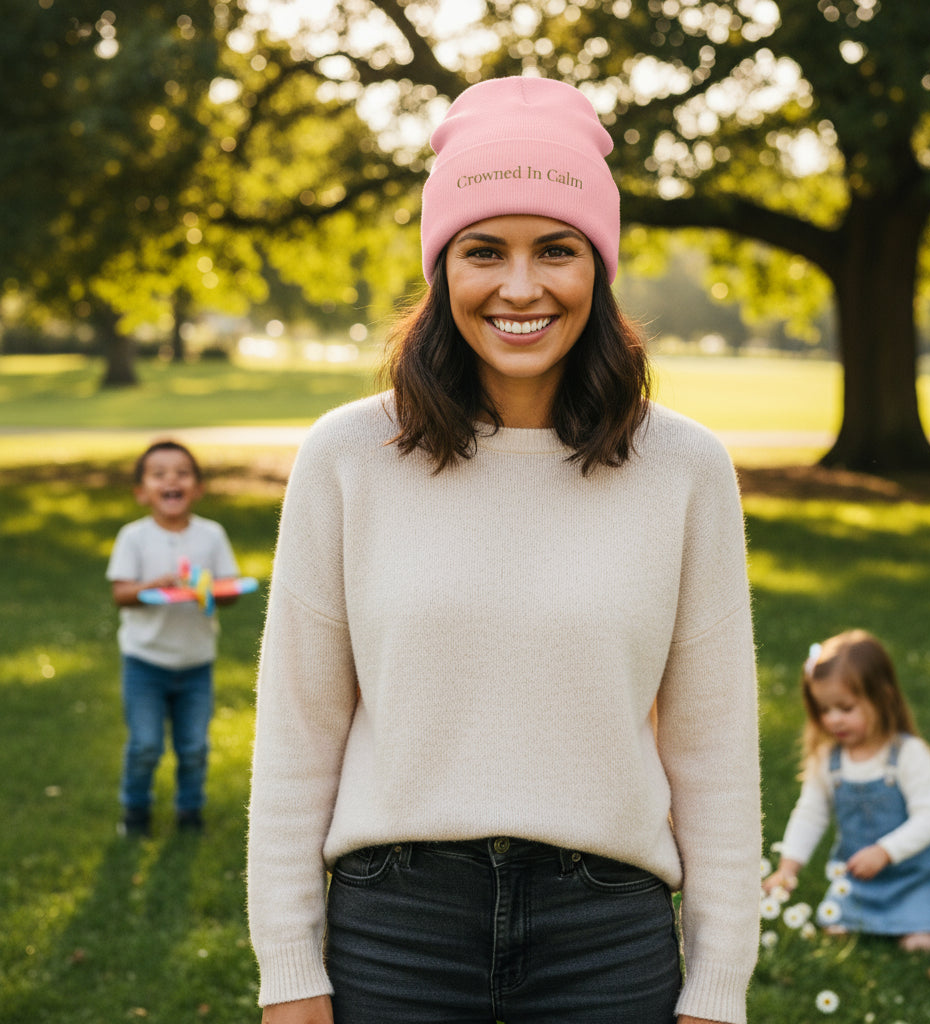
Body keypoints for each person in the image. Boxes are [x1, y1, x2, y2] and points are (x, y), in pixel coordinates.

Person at [248, 75, 761, 1024]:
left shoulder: (685, 469)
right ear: (444, 269)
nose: (520, 288)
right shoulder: (347, 458)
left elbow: (714, 752)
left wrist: (717, 988)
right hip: (394, 932)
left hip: (607, 940)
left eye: (556, 251)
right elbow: (297, 737)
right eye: (484, 251)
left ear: (597, 270)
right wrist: (290, 974)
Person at [763, 629, 930, 950]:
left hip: (916, 876)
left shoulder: (908, 754)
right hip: (860, 879)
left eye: (845, 708)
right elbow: (810, 813)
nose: (833, 720)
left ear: (883, 697)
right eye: (823, 709)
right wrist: (788, 868)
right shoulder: (827, 759)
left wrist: (885, 852)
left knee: (918, 945)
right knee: (834, 934)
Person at [107, 440, 240, 836]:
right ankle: (135, 812)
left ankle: (189, 813)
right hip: (145, 664)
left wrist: (209, 590)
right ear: (141, 491)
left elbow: (231, 591)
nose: (172, 480)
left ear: (197, 487)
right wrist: (154, 586)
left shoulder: (211, 535)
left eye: (182, 473)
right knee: (145, 746)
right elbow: (121, 595)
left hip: (196, 663)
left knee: (194, 748)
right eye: (159, 474)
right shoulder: (133, 537)